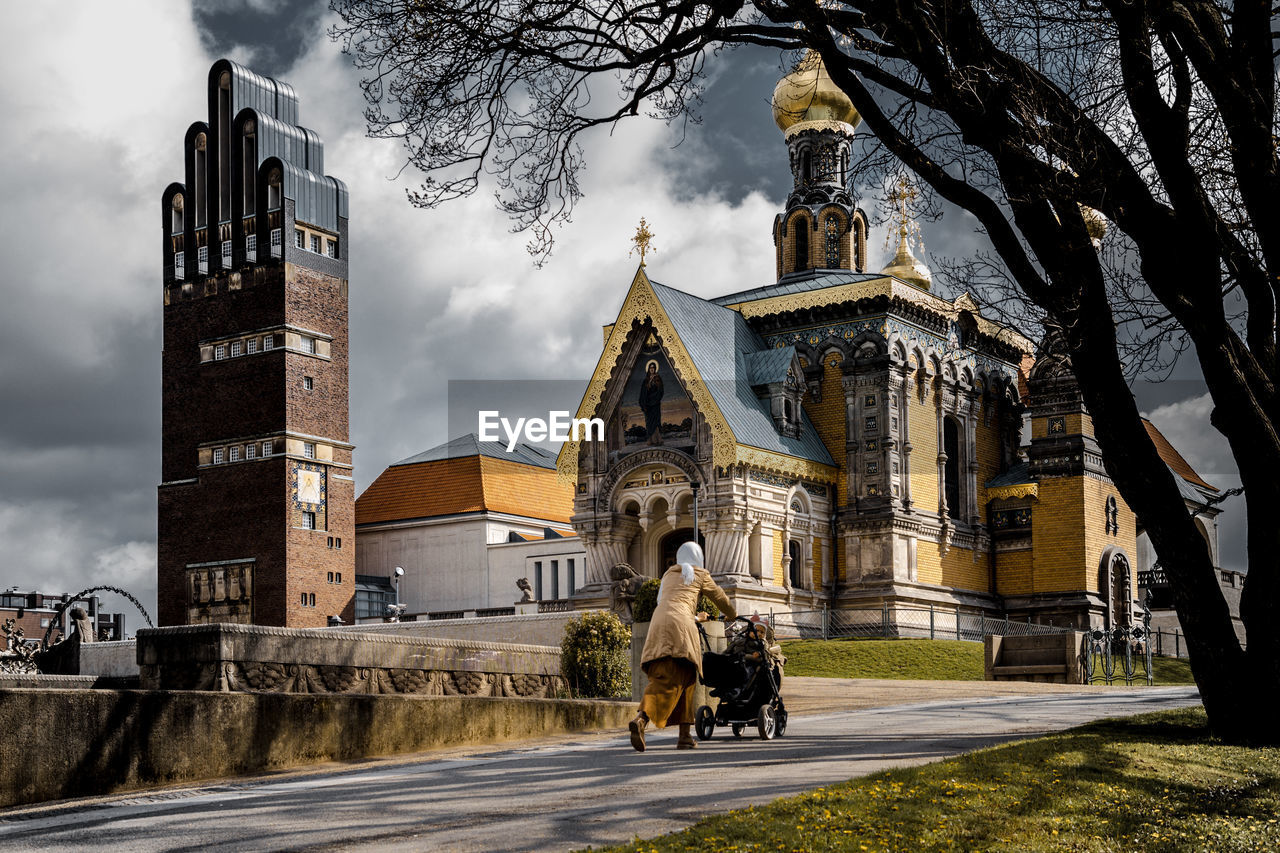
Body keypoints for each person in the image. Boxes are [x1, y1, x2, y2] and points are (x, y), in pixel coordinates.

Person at [630, 541, 736, 751]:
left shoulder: (669, 573)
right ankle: (641, 719)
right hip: (680, 628)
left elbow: (671, 603)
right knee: (669, 677)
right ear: (699, 558)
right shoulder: (701, 573)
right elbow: (719, 597)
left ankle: (685, 736)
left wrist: (696, 617)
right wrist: (733, 614)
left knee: (685, 679)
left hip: (658, 623)